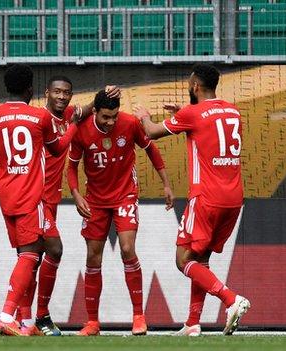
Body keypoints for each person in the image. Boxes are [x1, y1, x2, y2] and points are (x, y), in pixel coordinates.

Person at [133, 63, 250, 336]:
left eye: (189, 83)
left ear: (195, 85)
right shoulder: (233, 111)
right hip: (233, 197)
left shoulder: (192, 113)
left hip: (206, 196)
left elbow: (150, 132)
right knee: (201, 258)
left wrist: (144, 116)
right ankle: (193, 323)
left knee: (183, 259)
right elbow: (208, 131)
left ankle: (231, 300)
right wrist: (182, 117)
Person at [0, 64, 81, 336]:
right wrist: (72, 127)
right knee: (32, 255)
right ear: (30, 90)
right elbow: (57, 149)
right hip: (32, 196)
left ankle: (26, 322)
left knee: (31, 255)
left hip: (6, 195)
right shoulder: (39, 117)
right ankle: (5, 316)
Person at [15, 77, 121, 336]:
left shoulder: (72, 115)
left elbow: (91, 108)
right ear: (46, 93)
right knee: (42, 254)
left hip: (51, 201)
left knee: (40, 257)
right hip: (33, 199)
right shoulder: (38, 120)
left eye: (66, 93)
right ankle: (29, 317)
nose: (62, 96)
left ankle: (33, 317)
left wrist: (104, 91)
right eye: (57, 92)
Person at [68, 90, 173, 336]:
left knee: (127, 249)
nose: (111, 122)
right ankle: (92, 322)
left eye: (114, 116)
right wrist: (76, 195)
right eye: (106, 117)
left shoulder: (129, 123)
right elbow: (71, 167)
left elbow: (152, 150)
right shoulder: (81, 129)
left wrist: (166, 184)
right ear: (94, 112)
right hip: (94, 199)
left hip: (125, 193)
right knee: (93, 257)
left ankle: (139, 317)